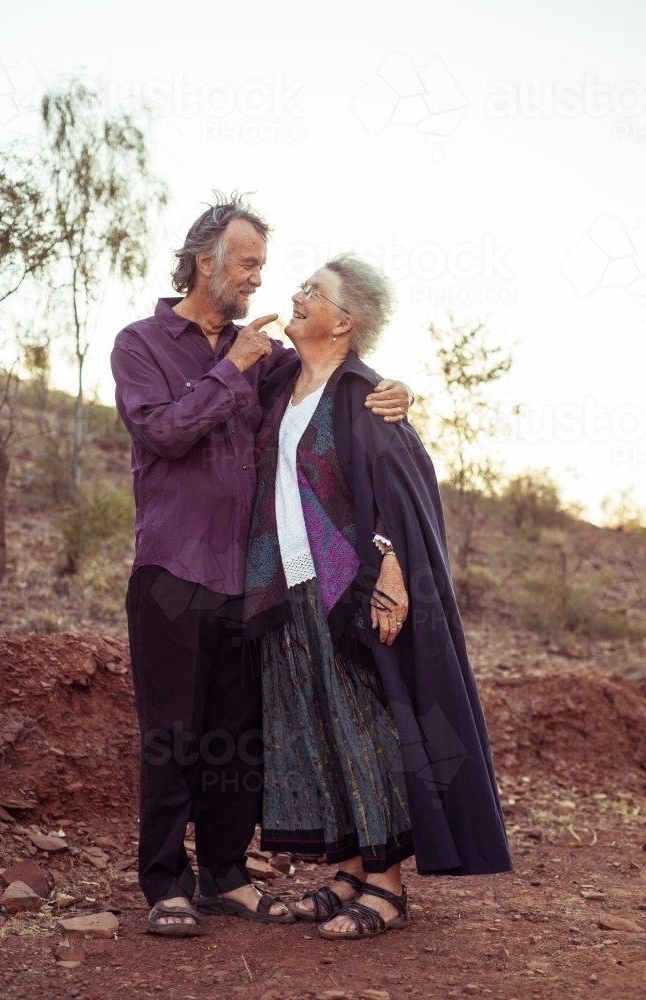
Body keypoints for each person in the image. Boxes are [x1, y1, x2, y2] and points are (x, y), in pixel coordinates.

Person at [111, 195, 412, 935]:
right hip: (173, 575)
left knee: (238, 735)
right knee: (172, 735)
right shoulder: (142, 344)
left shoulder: (271, 360)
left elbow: (327, 388)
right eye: (246, 263)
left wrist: (393, 392)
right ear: (203, 261)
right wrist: (231, 368)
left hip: (251, 582)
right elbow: (162, 433)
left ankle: (223, 872)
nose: (257, 279)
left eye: (262, 266)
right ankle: (165, 883)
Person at [243, 253, 512, 940]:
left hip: (345, 589)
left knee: (363, 726)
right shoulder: (279, 382)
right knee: (316, 728)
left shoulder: (365, 396)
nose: (297, 297)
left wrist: (393, 575)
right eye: (301, 287)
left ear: (346, 322)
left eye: (315, 293)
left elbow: (403, 490)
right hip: (286, 584)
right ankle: (350, 869)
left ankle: (388, 886)